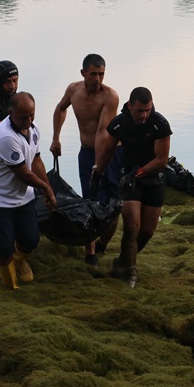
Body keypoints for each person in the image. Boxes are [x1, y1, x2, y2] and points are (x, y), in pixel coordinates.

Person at [0, 92, 56, 290]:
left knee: (30, 239)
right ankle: (10, 286)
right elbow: (23, 174)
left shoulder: (33, 130)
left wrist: (49, 187)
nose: (28, 121)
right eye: (23, 117)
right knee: (3, 246)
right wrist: (45, 189)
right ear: (10, 113)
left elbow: (35, 160)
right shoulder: (4, 137)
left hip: (20, 195)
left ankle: (17, 260)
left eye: (32, 115)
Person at [92, 86, 172, 288]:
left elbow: (162, 160)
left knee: (147, 231)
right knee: (132, 226)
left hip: (153, 178)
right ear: (130, 106)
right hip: (129, 179)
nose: (144, 115)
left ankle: (123, 260)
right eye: (139, 111)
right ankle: (130, 273)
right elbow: (108, 150)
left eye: (148, 110)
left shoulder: (159, 124)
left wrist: (139, 174)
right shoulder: (120, 123)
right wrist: (97, 174)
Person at [50, 53, 123, 268]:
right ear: (83, 73)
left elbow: (102, 133)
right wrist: (56, 138)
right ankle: (90, 253)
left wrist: (98, 167)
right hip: (87, 153)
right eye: (93, 74)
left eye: (101, 74)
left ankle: (102, 244)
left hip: (111, 154)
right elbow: (60, 108)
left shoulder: (110, 96)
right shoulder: (73, 90)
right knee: (89, 201)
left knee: (113, 203)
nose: (98, 79)